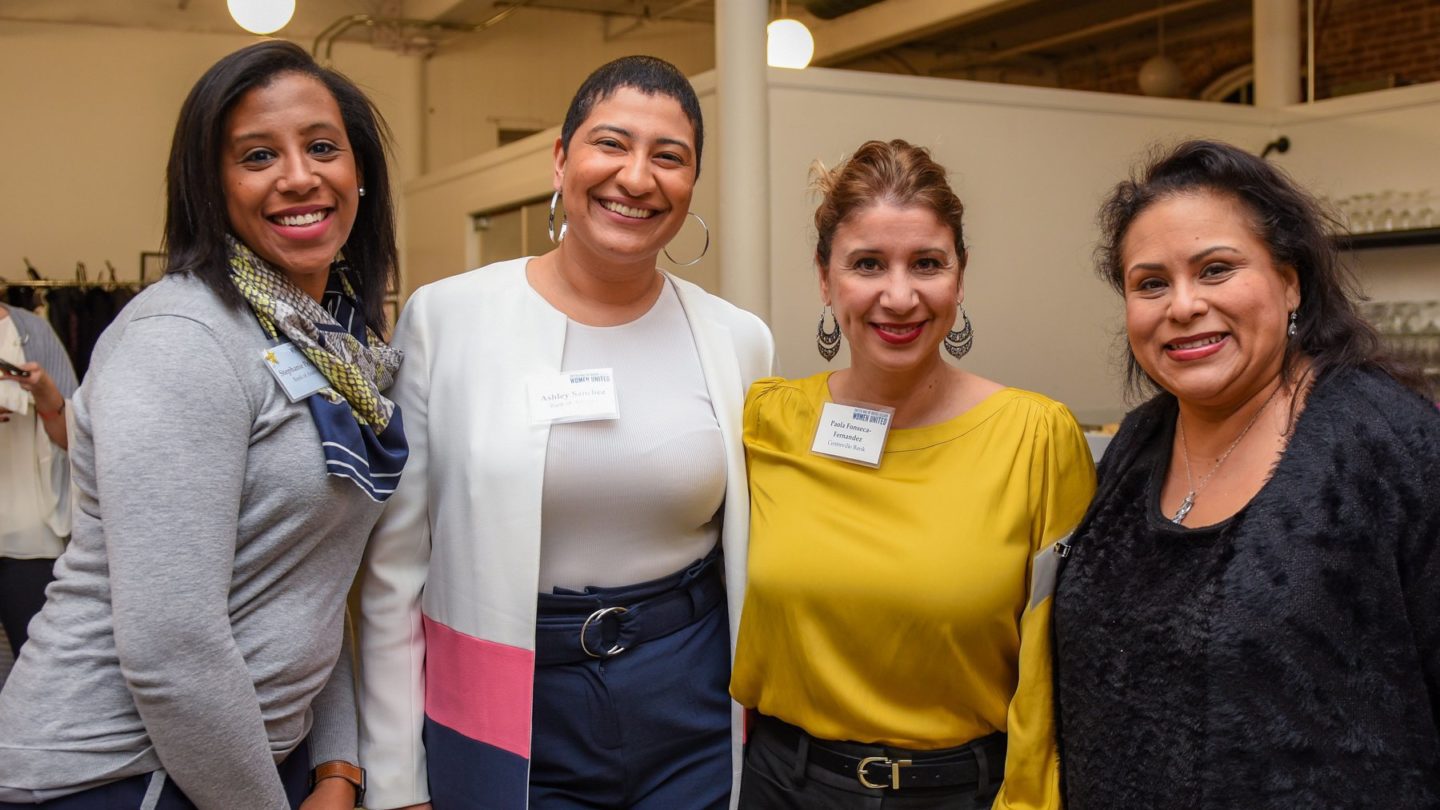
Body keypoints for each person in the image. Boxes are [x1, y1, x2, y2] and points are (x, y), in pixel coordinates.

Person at [356, 55, 772, 810]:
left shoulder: (738, 339)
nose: (637, 177)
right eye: (611, 144)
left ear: (691, 185)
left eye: (668, 157)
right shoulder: (448, 318)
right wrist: (394, 779)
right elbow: (394, 570)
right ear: (561, 158)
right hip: (510, 698)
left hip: (691, 704)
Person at [0, 40, 406, 809]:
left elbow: (311, 580)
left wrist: (337, 766)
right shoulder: (183, 339)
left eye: (323, 147)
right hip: (113, 771)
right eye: (257, 155)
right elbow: (170, 649)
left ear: (359, 172)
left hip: (236, 759)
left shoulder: (329, 341)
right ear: (211, 186)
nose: (299, 175)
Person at [1052, 139, 1440, 807]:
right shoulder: (1138, 445)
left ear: (1291, 282)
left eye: (1215, 270)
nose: (1181, 305)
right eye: (1150, 283)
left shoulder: (1386, 442)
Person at [730, 139, 1096, 809]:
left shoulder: (1036, 439)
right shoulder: (767, 422)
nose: (899, 296)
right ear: (824, 277)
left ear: (960, 275)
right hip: (784, 787)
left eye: (926, 263)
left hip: (966, 792)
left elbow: (1063, 668)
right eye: (868, 264)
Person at [0, 303, 78, 658]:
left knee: (36, 662)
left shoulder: (32, 331)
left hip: (28, 538)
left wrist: (44, 391)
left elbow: (74, 440)